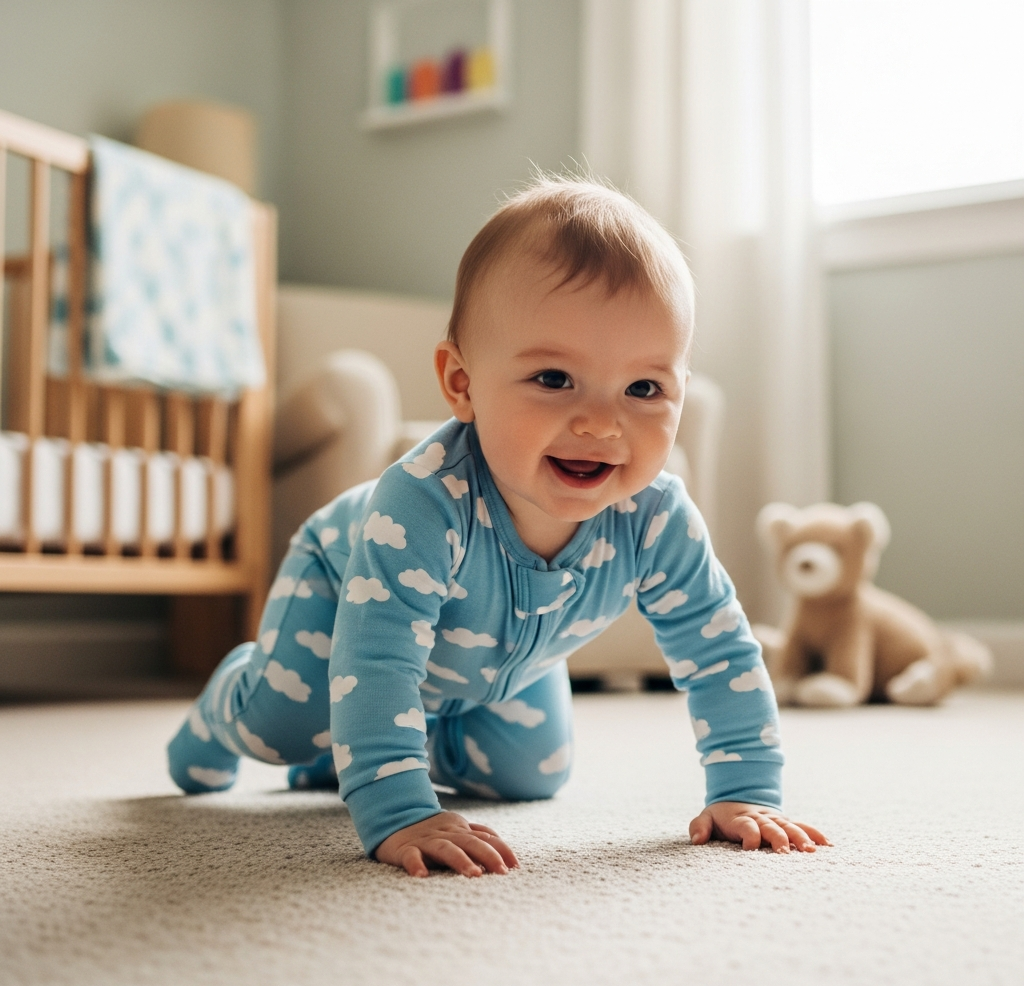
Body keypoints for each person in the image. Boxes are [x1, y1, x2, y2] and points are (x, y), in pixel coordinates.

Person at [167, 176, 829, 877]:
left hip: (495, 662)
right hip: (345, 598)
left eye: (644, 389)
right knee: (284, 724)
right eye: (553, 378)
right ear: (461, 383)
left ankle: (361, 749)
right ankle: (228, 705)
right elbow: (378, 664)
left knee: (531, 774)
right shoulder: (421, 504)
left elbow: (720, 650)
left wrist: (745, 792)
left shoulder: (657, 517)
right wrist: (400, 810)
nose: (602, 423)